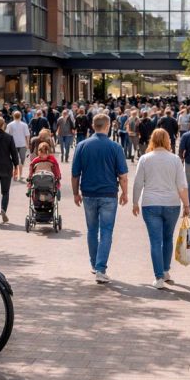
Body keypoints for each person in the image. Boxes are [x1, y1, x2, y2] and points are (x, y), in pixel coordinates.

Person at [71, 114, 129, 284]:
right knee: (106, 231)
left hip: (88, 193)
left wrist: (76, 193)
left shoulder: (82, 145)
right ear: (108, 126)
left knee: (91, 230)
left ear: (93, 125)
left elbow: (75, 174)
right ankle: (101, 268)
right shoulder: (115, 147)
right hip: (108, 194)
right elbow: (122, 175)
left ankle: (94, 264)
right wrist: (125, 193)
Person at [133, 129, 189, 290]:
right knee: (168, 238)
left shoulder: (145, 159)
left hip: (150, 203)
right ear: (167, 140)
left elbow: (138, 183)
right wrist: (186, 205)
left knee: (155, 241)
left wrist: (135, 203)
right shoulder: (175, 160)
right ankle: (165, 271)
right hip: (172, 203)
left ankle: (158, 277)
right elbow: (182, 185)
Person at [7, 111, 31, 182]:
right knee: (21, 161)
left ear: (13, 116)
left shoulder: (9, 125)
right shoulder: (24, 125)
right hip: (22, 144)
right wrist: (27, 143)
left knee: (15, 160)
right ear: (20, 116)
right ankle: (20, 175)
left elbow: (7, 134)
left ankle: (15, 174)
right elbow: (27, 135)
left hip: (13, 144)